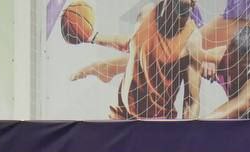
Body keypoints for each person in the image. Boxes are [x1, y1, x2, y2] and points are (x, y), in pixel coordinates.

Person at [70, 0, 205, 119]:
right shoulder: (147, 12)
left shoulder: (192, 39)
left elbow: (191, 102)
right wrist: (93, 38)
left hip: (154, 125)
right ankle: (103, 69)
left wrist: (187, 136)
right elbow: (133, 43)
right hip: (121, 115)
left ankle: (104, 69)